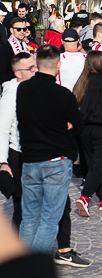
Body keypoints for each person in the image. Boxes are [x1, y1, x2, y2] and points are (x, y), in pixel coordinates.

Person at [16, 45, 81, 253]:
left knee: (29, 218)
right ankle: (35, 274)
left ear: (36, 65)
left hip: (29, 160)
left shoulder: (23, 89)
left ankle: (24, 270)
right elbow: (79, 126)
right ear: (58, 65)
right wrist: (65, 124)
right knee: (50, 219)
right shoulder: (63, 94)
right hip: (56, 160)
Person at [72, 52, 102, 217]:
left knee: (93, 165)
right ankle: (85, 197)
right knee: (98, 165)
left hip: (83, 129)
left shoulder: (81, 82)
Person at [0, 54, 38, 229]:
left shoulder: (34, 87)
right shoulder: (11, 95)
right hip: (19, 155)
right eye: (30, 68)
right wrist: (2, 162)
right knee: (22, 206)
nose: (35, 70)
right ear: (18, 73)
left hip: (36, 154)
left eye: (35, 66)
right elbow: (2, 129)